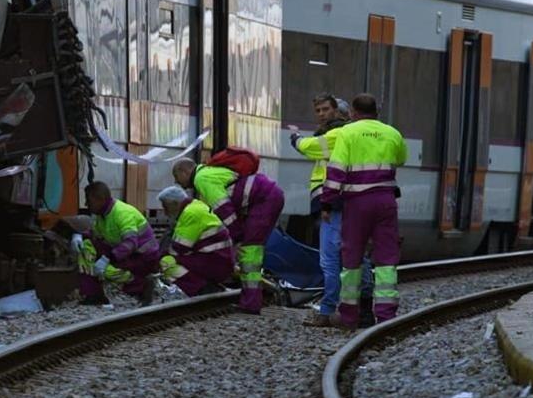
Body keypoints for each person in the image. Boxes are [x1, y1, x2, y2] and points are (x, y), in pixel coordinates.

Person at [321, 94, 407, 327]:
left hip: (357, 203)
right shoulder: (393, 133)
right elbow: (401, 159)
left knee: (352, 258)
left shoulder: (348, 133)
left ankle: (349, 314)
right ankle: (386, 314)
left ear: (353, 113)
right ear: (376, 112)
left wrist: (327, 203)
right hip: (386, 200)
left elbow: (336, 171)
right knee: (387, 258)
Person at [172, 158, 285, 314]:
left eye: (176, 177)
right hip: (265, 197)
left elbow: (224, 207)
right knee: (250, 252)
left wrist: (237, 237)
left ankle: (251, 304)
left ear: (184, 171)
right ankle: (251, 301)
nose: (177, 182)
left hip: (263, 200)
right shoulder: (208, 172)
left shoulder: (201, 179)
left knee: (250, 253)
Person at [290, 93, 351, 327]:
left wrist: (295, 137)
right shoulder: (343, 135)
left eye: (327, 110)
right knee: (348, 257)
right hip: (335, 200)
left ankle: (328, 310)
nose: (322, 115)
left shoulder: (337, 135)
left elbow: (310, 148)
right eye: (319, 111)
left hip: (332, 201)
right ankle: (353, 308)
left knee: (331, 259)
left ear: (339, 113)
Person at [71, 181, 160, 306]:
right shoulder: (102, 215)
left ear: (100, 199)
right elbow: (94, 235)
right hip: (124, 253)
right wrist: (79, 236)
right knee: (86, 247)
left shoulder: (122, 213)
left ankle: (141, 285)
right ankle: (93, 294)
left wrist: (107, 259)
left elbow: (130, 243)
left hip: (143, 257)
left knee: (107, 271)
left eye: (88, 201)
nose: (86, 204)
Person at [156, 185, 236, 296]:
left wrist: (157, 257)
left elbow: (179, 248)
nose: (165, 212)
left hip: (215, 263)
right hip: (220, 259)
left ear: (175, 203)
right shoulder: (196, 206)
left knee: (166, 262)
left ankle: (201, 288)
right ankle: (206, 285)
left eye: (165, 207)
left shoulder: (189, 214)